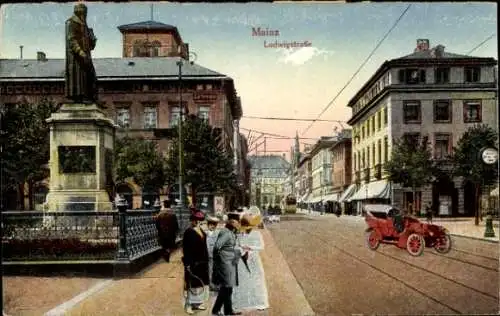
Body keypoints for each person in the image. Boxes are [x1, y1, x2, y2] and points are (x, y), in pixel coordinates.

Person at [211, 219, 249, 316]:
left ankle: (227, 311)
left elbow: (227, 247)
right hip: (225, 265)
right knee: (226, 288)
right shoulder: (226, 233)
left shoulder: (230, 233)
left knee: (228, 289)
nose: (238, 226)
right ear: (232, 225)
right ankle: (218, 310)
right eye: (236, 224)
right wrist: (219, 262)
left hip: (229, 264)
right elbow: (217, 247)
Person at [65, 3, 98, 104]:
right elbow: (71, 40)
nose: (85, 15)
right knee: (78, 77)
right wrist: (80, 51)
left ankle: (90, 97)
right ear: (80, 12)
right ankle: (79, 98)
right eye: (84, 13)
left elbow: (91, 45)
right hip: (76, 57)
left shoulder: (85, 25)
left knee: (90, 76)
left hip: (86, 55)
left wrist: (92, 40)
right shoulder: (71, 22)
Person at [182, 210, 210, 315]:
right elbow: (186, 249)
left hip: (201, 262)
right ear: (192, 221)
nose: (198, 222)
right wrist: (187, 263)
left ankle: (197, 304)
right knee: (191, 285)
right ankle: (188, 305)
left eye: (200, 220)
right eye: (196, 220)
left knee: (199, 284)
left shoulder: (201, 231)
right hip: (193, 262)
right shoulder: (188, 232)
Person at [205, 216, 221, 292]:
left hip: (216, 256)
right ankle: (211, 285)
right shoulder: (205, 234)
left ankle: (216, 284)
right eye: (211, 225)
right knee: (209, 270)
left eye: (214, 225)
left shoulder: (218, 234)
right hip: (208, 256)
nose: (212, 226)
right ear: (208, 225)